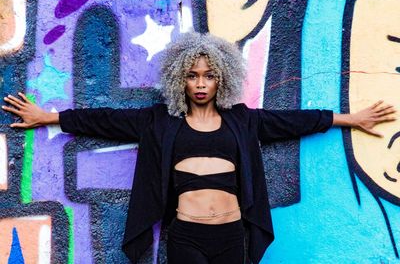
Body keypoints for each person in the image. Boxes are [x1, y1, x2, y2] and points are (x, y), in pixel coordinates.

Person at [2, 32, 396, 264]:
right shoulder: (159, 122)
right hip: (187, 237)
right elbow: (105, 120)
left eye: (209, 75)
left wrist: (350, 119)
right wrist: (50, 117)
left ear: (221, 79)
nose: (201, 83)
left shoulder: (243, 120)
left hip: (231, 237)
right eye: (192, 75)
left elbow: (293, 121)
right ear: (180, 80)